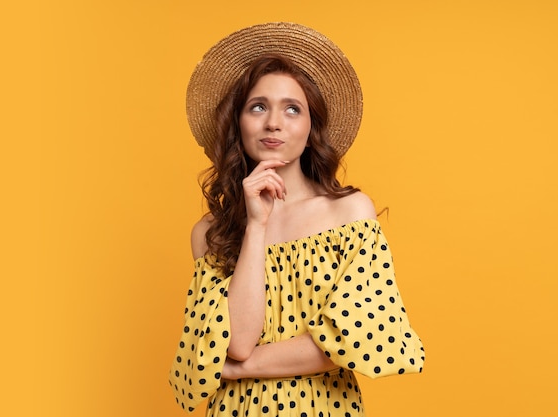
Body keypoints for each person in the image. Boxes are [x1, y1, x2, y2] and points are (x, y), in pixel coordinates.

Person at [170, 22, 424, 416]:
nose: (274, 123)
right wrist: (255, 225)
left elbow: (352, 341)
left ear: (311, 126)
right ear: (238, 122)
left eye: (293, 109)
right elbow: (237, 341)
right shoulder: (210, 233)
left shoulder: (349, 213)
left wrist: (244, 368)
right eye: (258, 107)